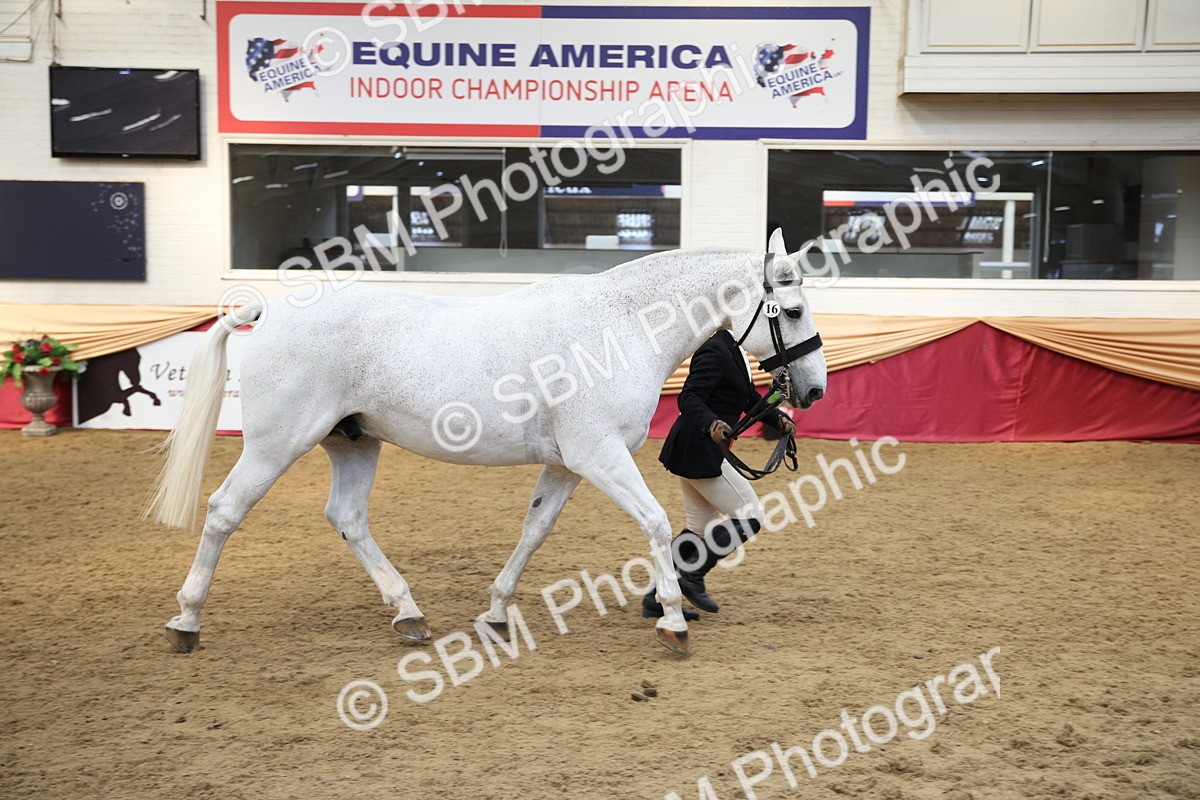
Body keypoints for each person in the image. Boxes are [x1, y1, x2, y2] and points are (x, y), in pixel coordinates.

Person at [643, 329, 795, 620]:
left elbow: (748, 398)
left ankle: (656, 597)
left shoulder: (735, 349)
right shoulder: (714, 348)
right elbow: (689, 396)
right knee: (751, 516)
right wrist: (711, 422)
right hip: (700, 446)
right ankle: (693, 574)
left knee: (699, 526)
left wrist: (777, 419)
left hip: (694, 448)